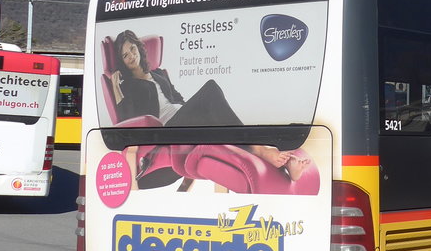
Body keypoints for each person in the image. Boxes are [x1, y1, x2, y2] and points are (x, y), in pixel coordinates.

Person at [110, 29, 311, 189]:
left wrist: (197, 110)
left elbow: (177, 99)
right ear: (122, 61)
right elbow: (129, 120)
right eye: (125, 55)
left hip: (182, 121)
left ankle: (284, 164)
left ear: (139, 48)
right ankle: (257, 148)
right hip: (165, 131)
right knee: (211, 89)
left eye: (132, 49)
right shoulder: (129, 85)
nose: (131, 56)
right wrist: (116, 89)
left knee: (216, 116)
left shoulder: (159, 74)